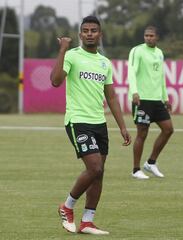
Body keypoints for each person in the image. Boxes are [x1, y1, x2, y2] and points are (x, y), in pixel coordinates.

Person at [50, 16, 131, 235]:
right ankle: (66, 207)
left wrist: (122, 126)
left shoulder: (105, 63)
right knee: (94, 167)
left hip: (99, 122)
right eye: (85, 30)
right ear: (80, 34)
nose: (89, 33)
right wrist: (63, 50)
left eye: (93, 30)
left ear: (100, 34)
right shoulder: (72, 56)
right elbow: (55, 81)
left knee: (99, 173)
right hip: (78, 121)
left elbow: (111, 97)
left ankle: (87, 221)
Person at [127, 26, 174, 180]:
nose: (148, 38)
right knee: (142, 133)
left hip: (156, 100)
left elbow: (161, 77)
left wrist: (165, 98)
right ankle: (135, 170)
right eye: (146, 35)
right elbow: (131, 71)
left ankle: (151, 162)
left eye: (151, 36)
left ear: (157, 37)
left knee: (168, 129)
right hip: (142, 99)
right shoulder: (137, 50)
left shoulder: (159, 53)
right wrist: (134, 91)